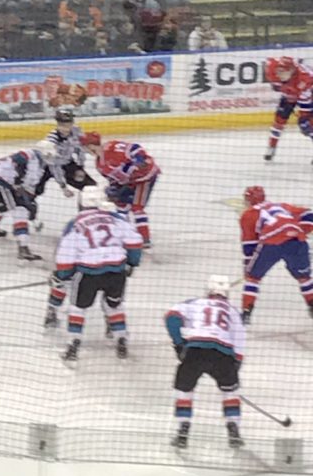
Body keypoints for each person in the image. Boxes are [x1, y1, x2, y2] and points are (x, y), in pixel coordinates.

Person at [45, 185, 143, 364]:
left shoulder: (74, 223)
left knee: (78, 308)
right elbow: (135, 241)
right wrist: (132, 262)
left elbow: (65, 254)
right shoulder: (116, 218)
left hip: (88, 273)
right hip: (116, 271)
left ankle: (73, 346)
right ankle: (121, 341)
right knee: (114, 305)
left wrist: (63, 274)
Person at [165, 275, 246, 449]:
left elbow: (171, 317)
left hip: (196, 351)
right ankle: (233, 429)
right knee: (230, 392)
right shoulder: (233, 311)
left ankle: (183, 430)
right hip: (222, 354)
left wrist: (179, 344)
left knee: (185, 390)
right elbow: (240, 339)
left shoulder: (195, 303)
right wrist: (236, 365)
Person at [239, 186, 313, 325]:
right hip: (297, 241)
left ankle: (246, 313)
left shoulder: (248, 215)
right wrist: (301, 230)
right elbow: (309, 214)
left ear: (249, 200)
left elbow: (249, 244)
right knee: (304, 277)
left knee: (253, 278)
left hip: (271, 243)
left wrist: (248, 267)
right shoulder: (282, 206)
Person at [0, 141, 58, 261]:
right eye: (49, 155)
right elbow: (18, 161)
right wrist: (18, 183)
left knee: (4, 205)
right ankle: (23, 248)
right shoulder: (30, 154)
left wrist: (27, 200)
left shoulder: (37, 164)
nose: (50, 157)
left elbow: (25, 184)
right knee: (20, 211)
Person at [81, 131, 160, 247]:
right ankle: (126, 235)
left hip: (146, 176)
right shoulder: (99, 165)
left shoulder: (112, 147)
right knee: (121, 206)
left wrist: (139, 159)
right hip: (131, 181)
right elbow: (113, 180)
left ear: (90, 146)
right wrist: (114, 188)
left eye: (85, 147)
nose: (84, 150)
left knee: (137, 207)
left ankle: (144, 238)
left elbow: (134, 148)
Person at [263, 56, 313, 163]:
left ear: (292, 70)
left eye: (282, 72)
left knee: (307, 124)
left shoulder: (305, 80)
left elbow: (306, 109)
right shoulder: (273, 71)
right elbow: (269, 62)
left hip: (308, 94)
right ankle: (271, 147)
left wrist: (303, 119)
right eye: (278, 71)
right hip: (290, 92)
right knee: (279, 119)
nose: (279, 75)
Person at [44, 108, 95, 193]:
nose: (66, 126)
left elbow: (80, 149)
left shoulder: (76, 131)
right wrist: (63, 187)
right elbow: (54, 166)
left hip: (69, 162)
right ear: (58, 123)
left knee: (91, 187)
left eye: (69, 122)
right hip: (55, 166)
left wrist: (80, 167)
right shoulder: (52, 140)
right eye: (62, 123)